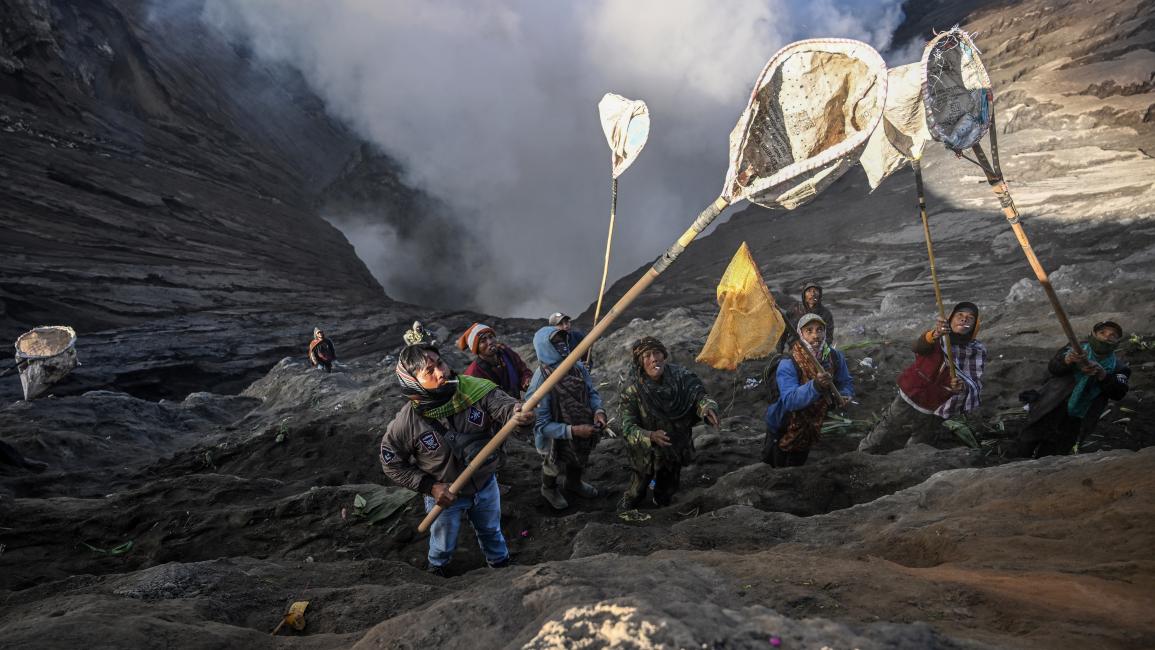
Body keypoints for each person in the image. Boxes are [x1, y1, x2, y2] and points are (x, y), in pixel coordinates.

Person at [378, 344, 534, 576]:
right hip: (445, 494)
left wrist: (519, 416)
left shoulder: (477, 392)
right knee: (443, 539)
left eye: (440, 363)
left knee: (491, 529)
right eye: (429, 371)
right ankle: (438, 568)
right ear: (413, 382)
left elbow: (505, 408)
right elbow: (391, 462)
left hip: (485, 483)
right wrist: (430, 487)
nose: (441, 373)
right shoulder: (406, 423)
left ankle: (500, 565)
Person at [858, 302, 986, 453]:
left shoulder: (974, 351)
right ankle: (864, 452)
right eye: (959, 316)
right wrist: (934, 334)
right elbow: (918, 347)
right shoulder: (938, 337)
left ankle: (908, 460)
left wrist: (959, 386)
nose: (964, 320)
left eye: (970, 319)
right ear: (950, 319)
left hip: (937, 401)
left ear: (974, 327)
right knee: (889, 424)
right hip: (912, 390)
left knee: (922, 436)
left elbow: (972, 380)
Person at [618, 336, 720, 510]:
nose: (653, 359)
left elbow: (698, 394)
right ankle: (631, 502)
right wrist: (650, 436)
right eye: (647, 356)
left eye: (657, 353)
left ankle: (662, 503)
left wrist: (706, 407)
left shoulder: (681, 377)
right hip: (646, 451)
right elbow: (627, 428)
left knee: (668, 484)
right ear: (640, 362)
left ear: (663, 355)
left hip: (674, 445)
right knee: (639, 484)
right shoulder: (632, 389)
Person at [1011, 321, 1131, 458]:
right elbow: (1053, 368)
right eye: (1102, 333)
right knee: (1027, 441)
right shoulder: (1075, 349)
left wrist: (1103, 375)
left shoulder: (1119, 368)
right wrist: (1067, 360)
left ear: (1117, 342)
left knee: (1055, 452)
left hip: (1078, 417)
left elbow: (1118, 393)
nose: (1106, 337)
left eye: (1112, 335)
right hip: (1051, 405)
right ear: (1093, 335)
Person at [526, 325, 606, 510]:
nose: (561, 345)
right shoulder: (541, 381)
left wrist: (598, 411)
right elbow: (540, 424)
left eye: (562, 340)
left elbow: (591, 392)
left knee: (578, 457)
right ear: (544, 347)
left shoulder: (577, 366)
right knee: (553, 464)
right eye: (555, 342)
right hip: (555, 436)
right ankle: (549, 488)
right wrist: (573, 431)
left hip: (582, 424)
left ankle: (573, 482)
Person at [762, 314, 853, 467]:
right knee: (773, 468)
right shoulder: (788, 363)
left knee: (797, 466)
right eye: (809, 331)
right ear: (801, 334)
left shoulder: (834, 357)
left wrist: (845, 394)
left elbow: (845, 382)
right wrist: (815, 385)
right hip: (783, 426)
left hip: (811, 426)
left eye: (819, 330)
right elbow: (790, 400)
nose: (815, 336)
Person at [457, 323, 532, 399]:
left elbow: (523, 370)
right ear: (476, 349)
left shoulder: (506, 353)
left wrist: (526, 380)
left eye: (491, 337)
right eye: (483, 341)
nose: (490, 342)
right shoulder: (473, 373)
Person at [778, 283, 835, 352]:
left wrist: (820, 349)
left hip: (817, 349)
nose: (812, 294)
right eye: (809, 291)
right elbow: (783, 331)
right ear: (804, 294)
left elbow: (829, 336)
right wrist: (780, 351)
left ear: (820, 295)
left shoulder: (826, 314)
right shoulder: (794, 309)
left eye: (815, 291)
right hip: (796, 348)